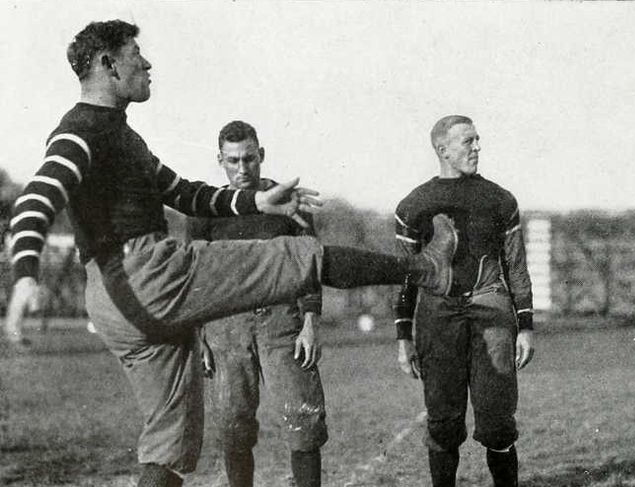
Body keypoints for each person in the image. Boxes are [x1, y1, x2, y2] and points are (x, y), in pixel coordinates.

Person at [5, 20, 456, 487]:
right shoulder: (80, 130)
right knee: (296, 257)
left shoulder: (122, 136)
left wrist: (256, 201)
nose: (147, 62)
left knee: (170, 443)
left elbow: (187, 194)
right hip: (146, 274)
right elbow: (38, 196)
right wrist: (24, 276)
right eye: (136, 52)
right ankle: (427, 268)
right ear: (108, 64)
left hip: (115, 301)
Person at [393, 115, 535, 487]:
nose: (477, 147)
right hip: (438, 314)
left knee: (497, 422)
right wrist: (403, 335)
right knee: (443, 421)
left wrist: (526, 327)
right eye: (468, 141)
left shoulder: (499, 199)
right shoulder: (414, 205)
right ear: (442, 149)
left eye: (477, 140)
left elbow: (516, 266)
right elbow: (407, 277)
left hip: (491, 307)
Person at [186, 120, 327, 487]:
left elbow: (310, 264)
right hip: (227, 326)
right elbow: (197, 278)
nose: (242, 168)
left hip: (282, 321)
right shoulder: (207, 209)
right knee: (233, 427)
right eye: (233, 160)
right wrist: (199, 335)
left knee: (303, 420)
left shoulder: (285, 201)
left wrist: (311, 320)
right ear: (220, 160)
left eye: (249, 158)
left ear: (261, 155)